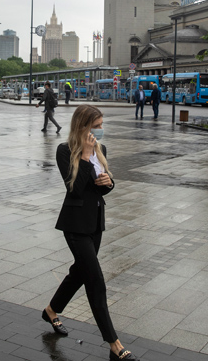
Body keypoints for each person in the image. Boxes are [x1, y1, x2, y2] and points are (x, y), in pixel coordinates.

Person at [43, 105, 140, 361]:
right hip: (74, 225)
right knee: (95, 280)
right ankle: (114, 344)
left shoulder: (101, 149)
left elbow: (102, 187)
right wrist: (85, 155)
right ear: (83, 125)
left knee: (80, 272)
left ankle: (51, 310)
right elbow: (74, 189)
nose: (100, 129)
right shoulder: (65, 151)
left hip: (96, 223)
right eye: (96, 125)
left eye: (101, 124)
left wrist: (109, 182)